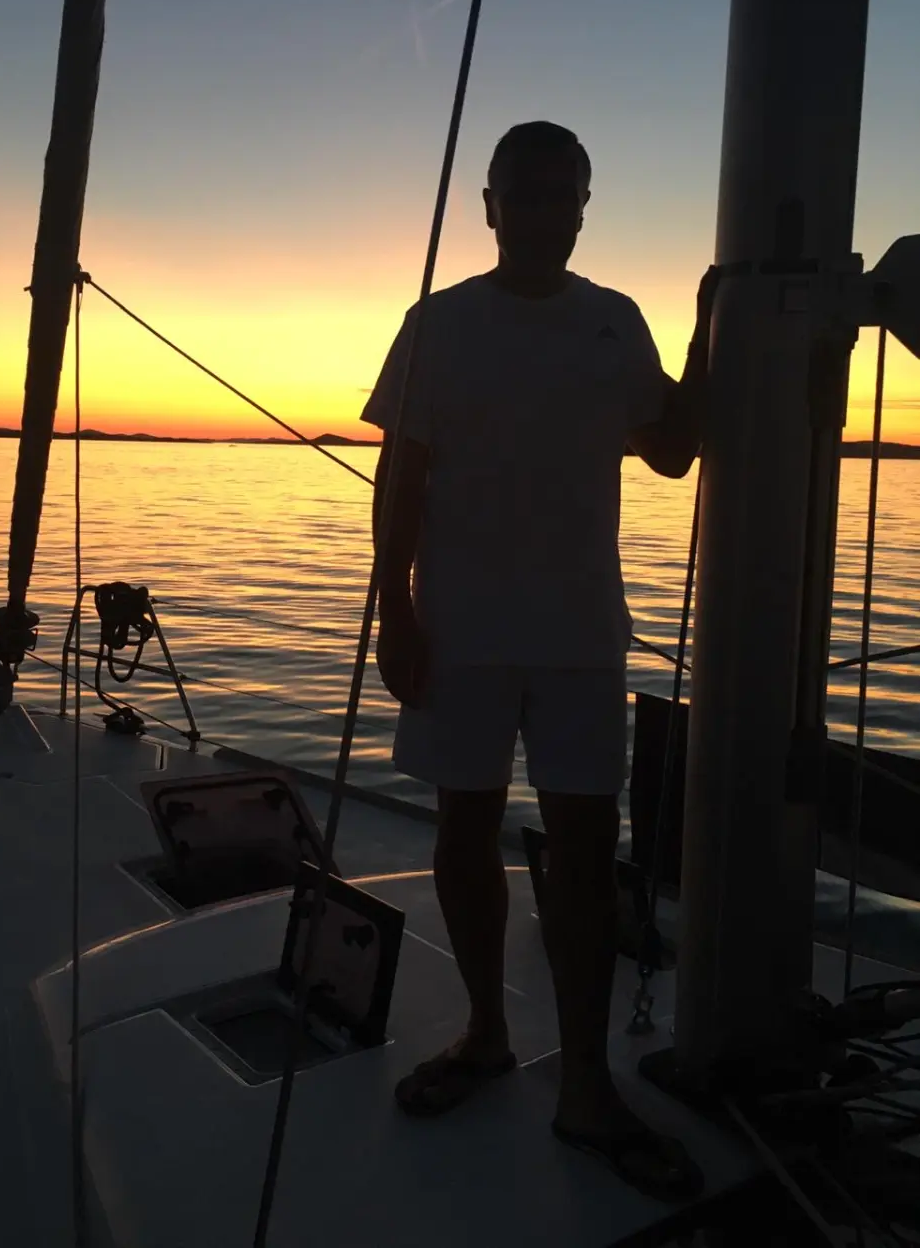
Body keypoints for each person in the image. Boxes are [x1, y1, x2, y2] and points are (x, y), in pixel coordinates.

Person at [361, 120, 718, 1202]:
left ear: (582, 207)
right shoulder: (439, 325)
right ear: (490, 205)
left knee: (583, 845)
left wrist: (709, 332)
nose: (544, 212)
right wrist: (396, 611)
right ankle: (481, 1033)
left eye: (564, 195)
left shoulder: (615, 325)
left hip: (576, 635)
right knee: (464, 827)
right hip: (458, 629)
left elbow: (670, 449)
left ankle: (587, 1086)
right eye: (525, 194)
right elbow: (401, 478)